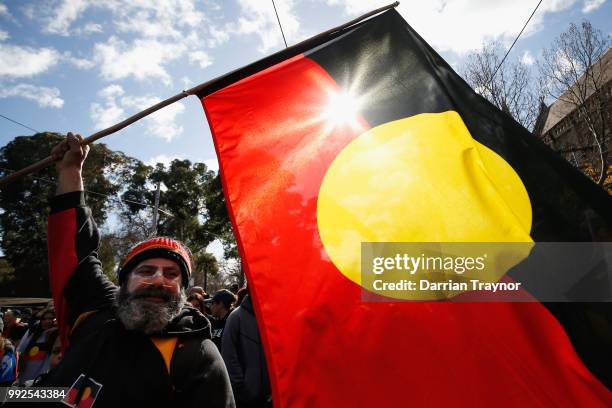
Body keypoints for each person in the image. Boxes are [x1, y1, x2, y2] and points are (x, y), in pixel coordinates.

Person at [41, 133, 235, 407]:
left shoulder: (197, 355)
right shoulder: (94, 309)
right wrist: (71, 170)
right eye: (146, 271)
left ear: (183, 290)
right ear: (125, 280)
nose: (158, 279)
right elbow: (75, 246)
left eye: (171, 274)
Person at [222, 293, 272, 408]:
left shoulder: (271, 316)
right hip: (244, 399)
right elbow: (229, 356)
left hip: (269, 398)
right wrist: (241, 387)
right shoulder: (235, 317)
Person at [16, 308, 57, 385]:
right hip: (27, 372)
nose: (47, 321)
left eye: (51, 318)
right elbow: (21, 349)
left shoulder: (56, 336)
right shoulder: (33, 331)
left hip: (43, 374)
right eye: (44, 319)